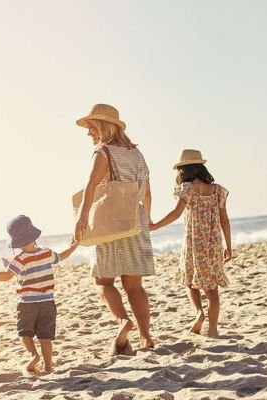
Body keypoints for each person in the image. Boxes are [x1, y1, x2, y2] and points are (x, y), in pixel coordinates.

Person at [73, 104, 156, 354]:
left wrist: (82, 217)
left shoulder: (103, 152)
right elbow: (148, 192)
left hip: (110, 223)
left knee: (103, 281)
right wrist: (147, 220)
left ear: (102, 126)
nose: (89, 133)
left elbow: (91, 185)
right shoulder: (137, 154)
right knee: (135, 286)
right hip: (135, 221)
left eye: (91, 127)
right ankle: (146, 337)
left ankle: (122, 321)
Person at [0, 215, 79, 374]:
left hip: (27, 304)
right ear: (33, 236)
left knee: (24, 333)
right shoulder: (46, 253)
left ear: (16, 241)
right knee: (45, 337)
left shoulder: (19, 259)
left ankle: (34, 356)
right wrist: (73, 246)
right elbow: (62, 256)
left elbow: (6, 276)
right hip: (47, 302)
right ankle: (49, 367)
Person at [150, 149, 232, 338]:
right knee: (212, 290)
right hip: (213, 245)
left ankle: (199, 313)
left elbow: (175, 213)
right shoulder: (218, 190)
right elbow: (225, 221)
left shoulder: (187, 188)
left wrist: (155, 227)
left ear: (184, 170)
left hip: (193, 245)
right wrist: (229, 246)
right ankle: (213, 330)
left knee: (189, 281)